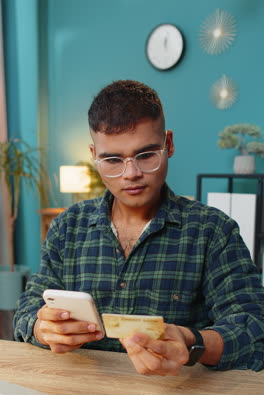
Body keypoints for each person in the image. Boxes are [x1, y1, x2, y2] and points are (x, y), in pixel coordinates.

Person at [14, 80, 264, 375]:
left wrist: (193, 343)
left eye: (146, 155)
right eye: (112, 159)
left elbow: (253, 330)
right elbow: (28, 308)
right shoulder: (67, 227)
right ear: (94, 155)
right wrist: (43, 327)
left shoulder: (213, 230)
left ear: (168, 144)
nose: (131, 174)